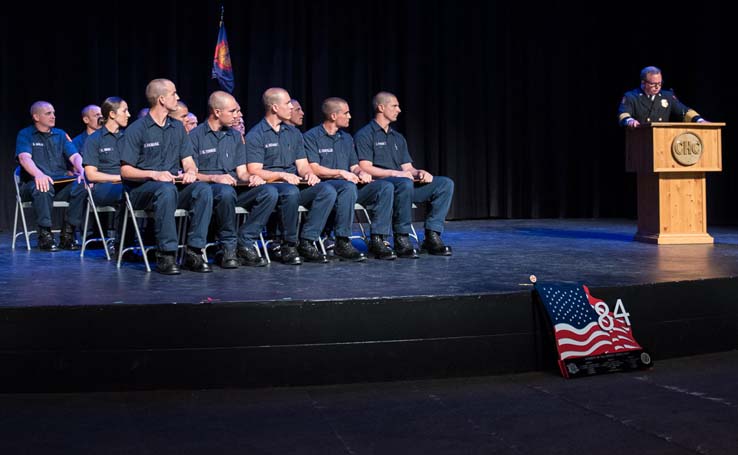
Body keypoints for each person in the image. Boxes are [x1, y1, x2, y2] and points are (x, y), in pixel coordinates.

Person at [120, 78, 214, 275]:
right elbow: (125, 171)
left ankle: (194, 251)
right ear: (162, 99)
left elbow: (188, 160)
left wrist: (190, 171)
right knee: (166, 189)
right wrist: (154, 174)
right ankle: (166, 254)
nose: (177, 97)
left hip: (170, 187)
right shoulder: (137, 129)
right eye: (174, 94)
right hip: (141, 190)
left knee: (203, 189)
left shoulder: (177, 128)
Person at [246, 87, 337, 264]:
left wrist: (309, 174)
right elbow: (254, 170)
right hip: (272, 187)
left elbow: (302, 165)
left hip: (294, 186)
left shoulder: (294, 133)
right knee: (289, 191)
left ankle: (307, 240)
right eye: (287, 103)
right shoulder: (256, 134)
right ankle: (289, 244)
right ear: (274, 107)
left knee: (327, 190)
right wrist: (281, 175)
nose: (291, 107)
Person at [356, 91, 454, 257]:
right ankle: (402, 237)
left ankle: (432, 235)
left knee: (445, 183)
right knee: (404, 183)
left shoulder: (397, 138)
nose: (399, 110)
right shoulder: (365, 135)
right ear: (381, 107)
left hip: (404, 187)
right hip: (382, 187)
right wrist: (396, 173)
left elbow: (407, 167)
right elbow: (365, 168)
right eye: (394, 106)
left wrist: (419, 172)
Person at [190, 91, 278, 268]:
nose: (237, 115)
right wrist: (215, 177)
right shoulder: (195, 136)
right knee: (225, 192)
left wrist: (252, 177)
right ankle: (228, 247)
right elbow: (192, 173)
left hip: (235, 188)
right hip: (209, 189)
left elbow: (242, 172)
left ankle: (245, 240)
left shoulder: (235, 136)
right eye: (232, 111)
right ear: (217, 112)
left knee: (269, 191)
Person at [304, 97, 396, 260]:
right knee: (347, 187)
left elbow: (354, 166)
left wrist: (361, 172)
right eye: (346, 113)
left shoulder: (346, 138)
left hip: (349, 190)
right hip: (326, 188)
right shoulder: (311, 136)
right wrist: (340, 172)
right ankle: (342, 240)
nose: (350, 116)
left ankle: (378, 239)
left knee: (385, 186)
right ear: (333, 116)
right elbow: (314, 168)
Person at [15, 101, 88, 251]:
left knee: (82, 184)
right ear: (36, 116)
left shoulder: (60, 135)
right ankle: (45, 235)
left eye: (54, 113)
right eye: (48, 113)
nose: (53, 116)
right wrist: (38, 174)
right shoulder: (26, 134)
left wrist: (82, 170)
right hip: (33, 184)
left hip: (60, 183)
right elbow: (24, 158)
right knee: (42, 185)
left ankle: (68, 234)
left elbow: (74, 156)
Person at [82, 97, 131, 253]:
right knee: (125, 193)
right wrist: (118, 178)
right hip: (103, 188)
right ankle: (121, 245)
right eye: (124, 111)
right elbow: (91, 175)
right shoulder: (94, 139)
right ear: (112, 114)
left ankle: (145, 241)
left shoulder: (128, 137)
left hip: (126, 184)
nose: (128, 114)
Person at [618, 66, 709, 127]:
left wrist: (699, 120)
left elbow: (684, 112)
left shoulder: (667, 96)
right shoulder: (631, 96)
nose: (657, 87)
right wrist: (630, 121)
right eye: (653, 84)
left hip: (662, 139)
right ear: (643, 83)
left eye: (660, 83)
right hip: (641, 140)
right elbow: (623, 114)